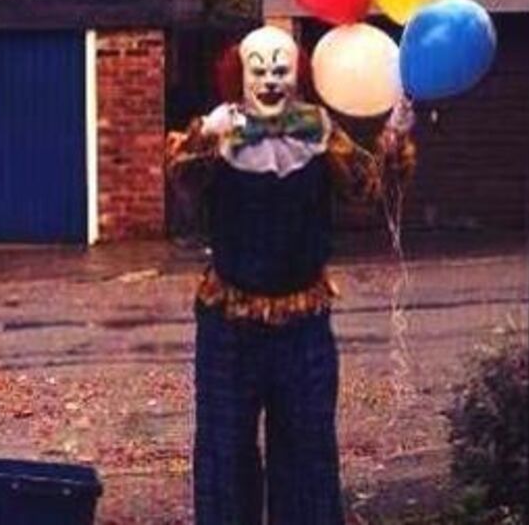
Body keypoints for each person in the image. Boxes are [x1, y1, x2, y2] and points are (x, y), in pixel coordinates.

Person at [165, 26, 415, 524]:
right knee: (224, 449)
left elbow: (366, 188)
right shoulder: (219, 129)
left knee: (307, 451)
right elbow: (184, 181)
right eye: (258, 70)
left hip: (303, 322)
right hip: (230, 321)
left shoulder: (319, 130)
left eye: (280, 69)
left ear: (297, 75)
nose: (270, 80)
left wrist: (393, 145)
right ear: (239, 76)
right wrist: (208, 140)